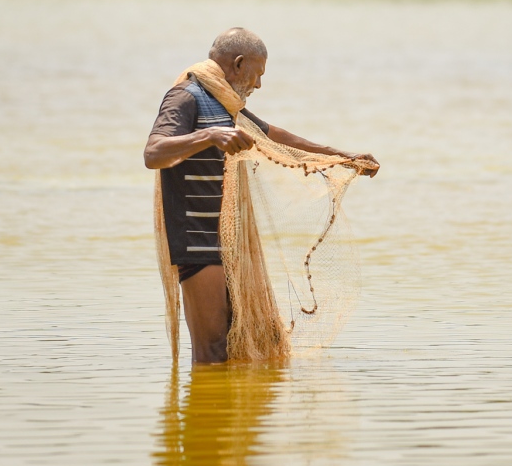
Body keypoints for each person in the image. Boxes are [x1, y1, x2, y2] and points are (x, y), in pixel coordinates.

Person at [144, 28, 379, 364]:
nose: (258, 85)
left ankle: (229, 413)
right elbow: (153, 153)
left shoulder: (225, 102)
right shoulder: (186, 96)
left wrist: (339, 156)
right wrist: (210, 135)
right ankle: (206, 413)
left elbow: (273, 135)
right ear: (239, 64)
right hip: (197, 240)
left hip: (230, 241)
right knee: (211, 351)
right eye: (258, 74)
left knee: (237, 347)